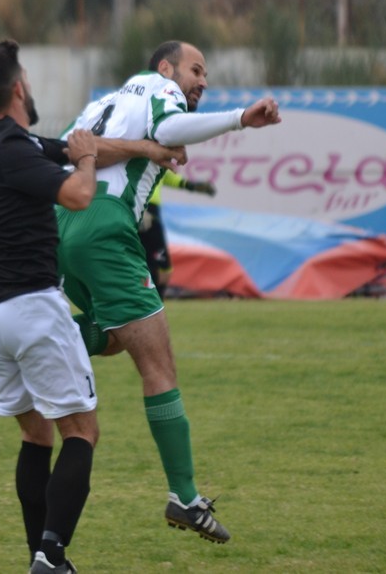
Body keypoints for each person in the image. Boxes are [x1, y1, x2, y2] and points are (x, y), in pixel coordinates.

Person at [0, 39, 185, 574]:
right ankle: (52, 554)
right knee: (82, 432)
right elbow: (78, 193)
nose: (31, 85)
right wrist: (87, 159)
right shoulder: (14, 150)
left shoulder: (0, 142)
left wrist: (143, 149)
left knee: (35, 433)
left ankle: (37, 557)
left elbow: (71, 149)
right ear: (18, 89)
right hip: (30, 307)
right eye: (27, 78)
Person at [57, 40, 281, 544]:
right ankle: (185, 497)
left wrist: (143, 151)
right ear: (165, 68)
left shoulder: (103, 104)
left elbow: (67, 151)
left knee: (115, 335)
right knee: (159, 367)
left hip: (62, 226)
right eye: (196, 70)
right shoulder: (159, 90)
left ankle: (43, 338)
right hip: (105, 227)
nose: (203, 81)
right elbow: (169, 129)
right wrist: (240, 119)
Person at [139, 171, 217, 299]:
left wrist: (191, 185)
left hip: (148, 213)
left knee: (158, 267)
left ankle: (150, 302)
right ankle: (151, 303)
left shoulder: (157, 165)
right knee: (158, 267)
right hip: (143, 212)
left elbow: (168, 177)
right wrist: (140, 209)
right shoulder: (139, 162)